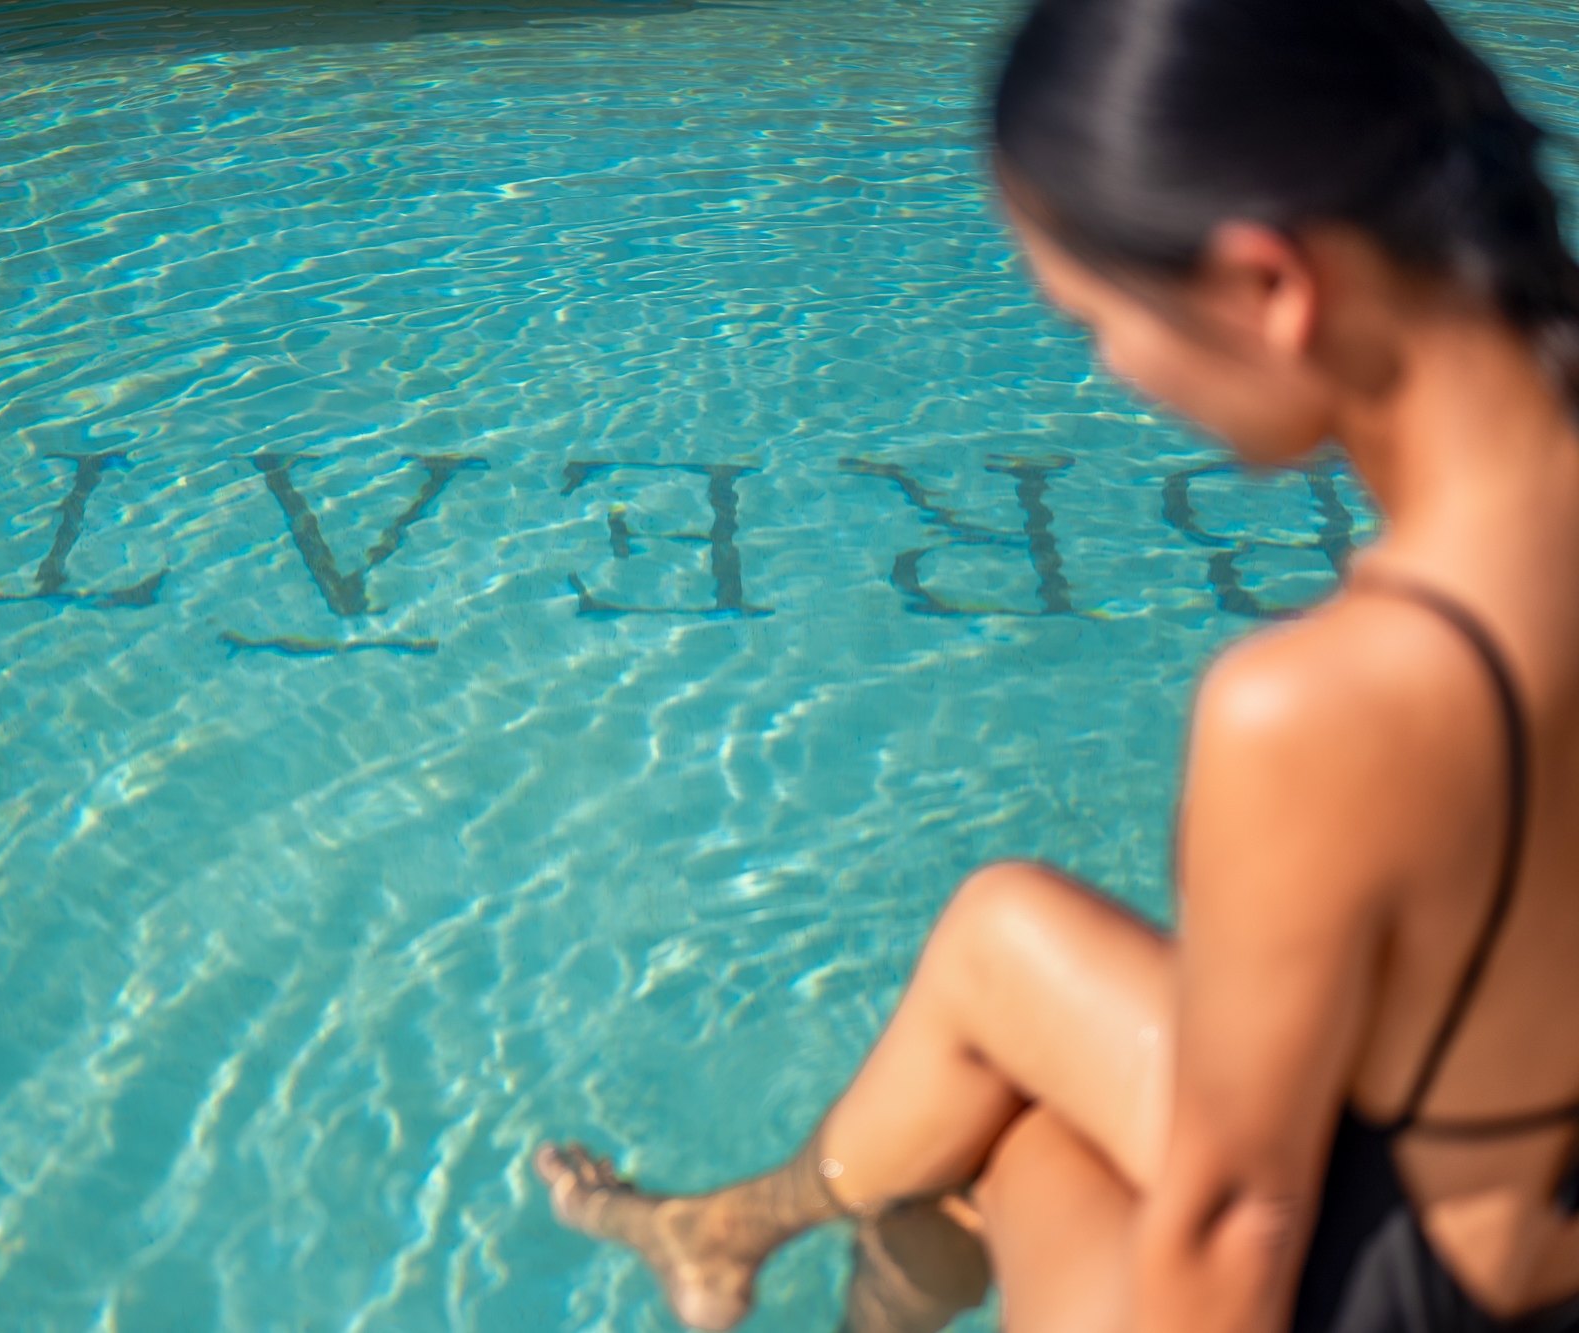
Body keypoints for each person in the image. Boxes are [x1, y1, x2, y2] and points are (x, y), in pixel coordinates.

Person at [533, 0, 1579, 1329]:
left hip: (1413, 1297)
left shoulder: (1336, 699)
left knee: (993, 1150)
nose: (1111, 374)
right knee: (1002, 936)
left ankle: (776, 1269)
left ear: (1269, 286)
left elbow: (1234, 1221)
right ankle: (718, 1230)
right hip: (1529, 1191)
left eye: (1095, 316)